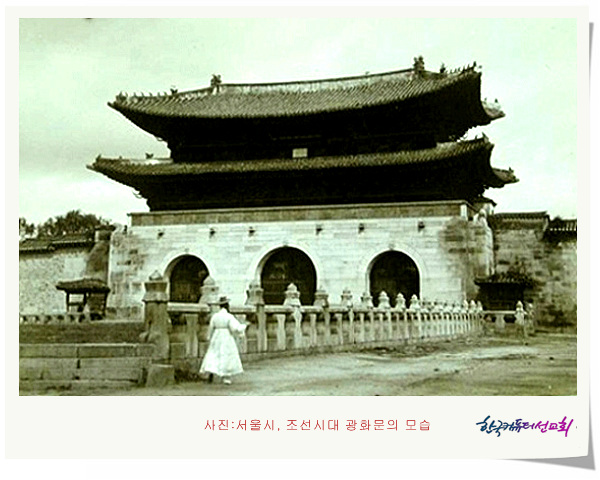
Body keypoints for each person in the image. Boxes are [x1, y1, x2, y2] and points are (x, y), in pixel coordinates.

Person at [200, 295, 247, 385]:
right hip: (226, 336)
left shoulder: (215, 316)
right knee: (226, 355)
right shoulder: (229, 316)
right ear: (227, 306)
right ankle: (226, 377)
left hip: (216, 336)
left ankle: (211, 372)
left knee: (214, 354)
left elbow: (211, 327)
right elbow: (235, 327)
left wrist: (209, 337)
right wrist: (243, 326)